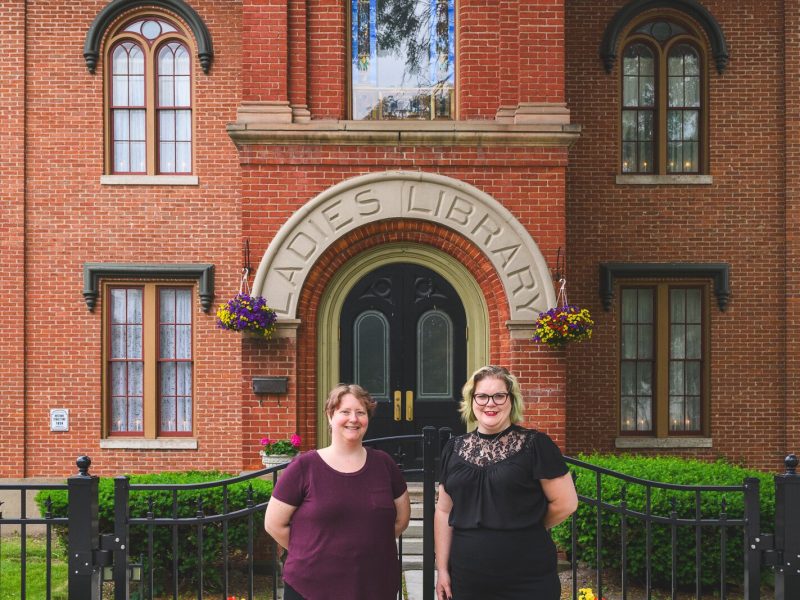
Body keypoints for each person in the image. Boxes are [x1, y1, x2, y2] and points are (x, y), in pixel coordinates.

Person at [434, 365, 578, 600]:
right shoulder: (453, 448)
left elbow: (566, 503)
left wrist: (528, 524)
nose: (490, 403)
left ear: (512, 400)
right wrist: (442, 569)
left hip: (528, 579)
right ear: (471, 400)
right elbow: (443, 511)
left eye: (499, 396)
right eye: (482, 396)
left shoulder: (536, 445)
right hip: (468, 578)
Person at [264, 384, 411, 600]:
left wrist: (369, 547)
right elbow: (273, 524)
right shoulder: (304, 467)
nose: (354, 419)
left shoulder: (384, 465)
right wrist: (313, 553)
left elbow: (401, 520)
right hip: (311, 588)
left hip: (374, 586)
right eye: (345, 412)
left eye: (361, 412)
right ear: (330, 415)